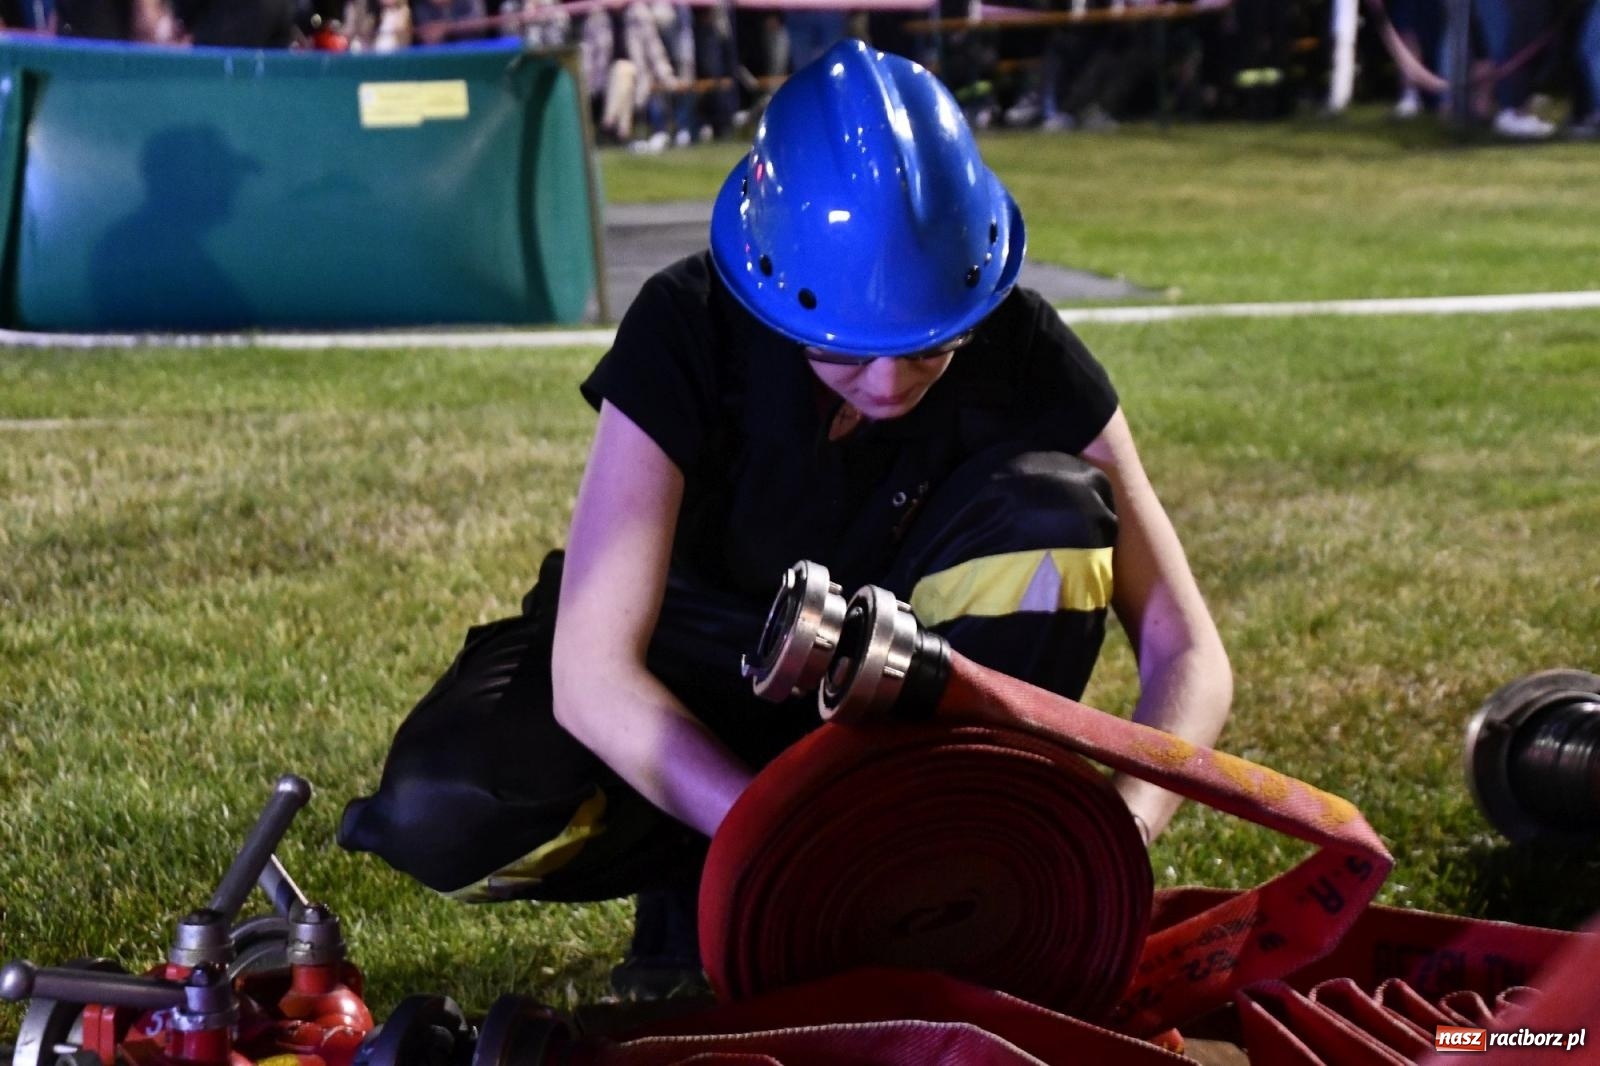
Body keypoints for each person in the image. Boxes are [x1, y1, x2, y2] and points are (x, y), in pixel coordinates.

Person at [339, 38, 1232, 998]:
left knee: (1056, 517)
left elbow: (1188, 651)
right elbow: (593, 674)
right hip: (678, 692)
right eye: (843, 346)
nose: (889, 379)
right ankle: (698, 901)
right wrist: (783, 851)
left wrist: (1116, 839)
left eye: (929, 344)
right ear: (773, 287)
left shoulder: (1021, 348)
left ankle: (938, 888)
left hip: (883, 718)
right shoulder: (689, 324)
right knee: (451, 805)